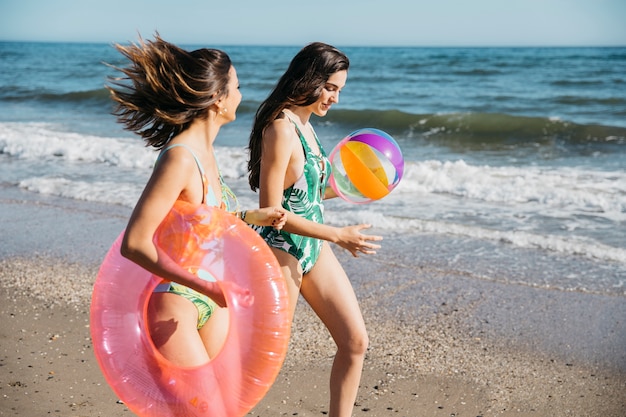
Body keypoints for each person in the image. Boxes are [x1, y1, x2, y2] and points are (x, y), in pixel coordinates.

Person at [107, 34, 287, 368]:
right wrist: (203, 285)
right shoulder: (180, 158)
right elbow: (134, 243)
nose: (240, 95)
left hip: (212, 299)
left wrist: (249, 215)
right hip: (175, 299)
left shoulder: (207, 153)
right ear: (218, 99)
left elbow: (198, 219)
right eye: (236, 87)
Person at [247, 42, 383, 417]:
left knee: (355, 342)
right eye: (332, 88)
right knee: (265, 357)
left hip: (313, 247)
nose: (336, 99)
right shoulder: (281, 128)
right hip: (282, 248)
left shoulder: (306, 125)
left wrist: (352, 188)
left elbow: (306, 193)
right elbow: (271, 210)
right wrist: (339, 235)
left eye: (340, 90)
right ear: (311, 79)